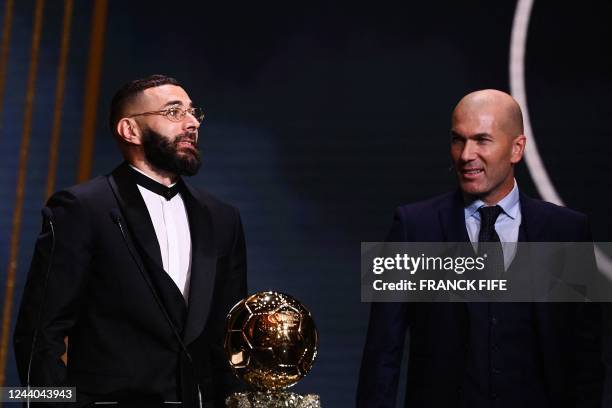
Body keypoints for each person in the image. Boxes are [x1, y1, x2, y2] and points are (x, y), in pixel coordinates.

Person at [356, 89, 604, 408]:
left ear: (517, 149)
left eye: (482, 140)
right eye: (458, 140)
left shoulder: (567, 231)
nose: (465, 154)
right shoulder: (412, 227)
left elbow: (586, 361)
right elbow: (381, 355)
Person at [14, 75, 247, 407]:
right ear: (130, 130)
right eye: (174, 112)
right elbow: (39, 336)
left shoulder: (223, 218)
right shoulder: (82, 209)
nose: (192, 122)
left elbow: (229, 339)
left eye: (193, 112)